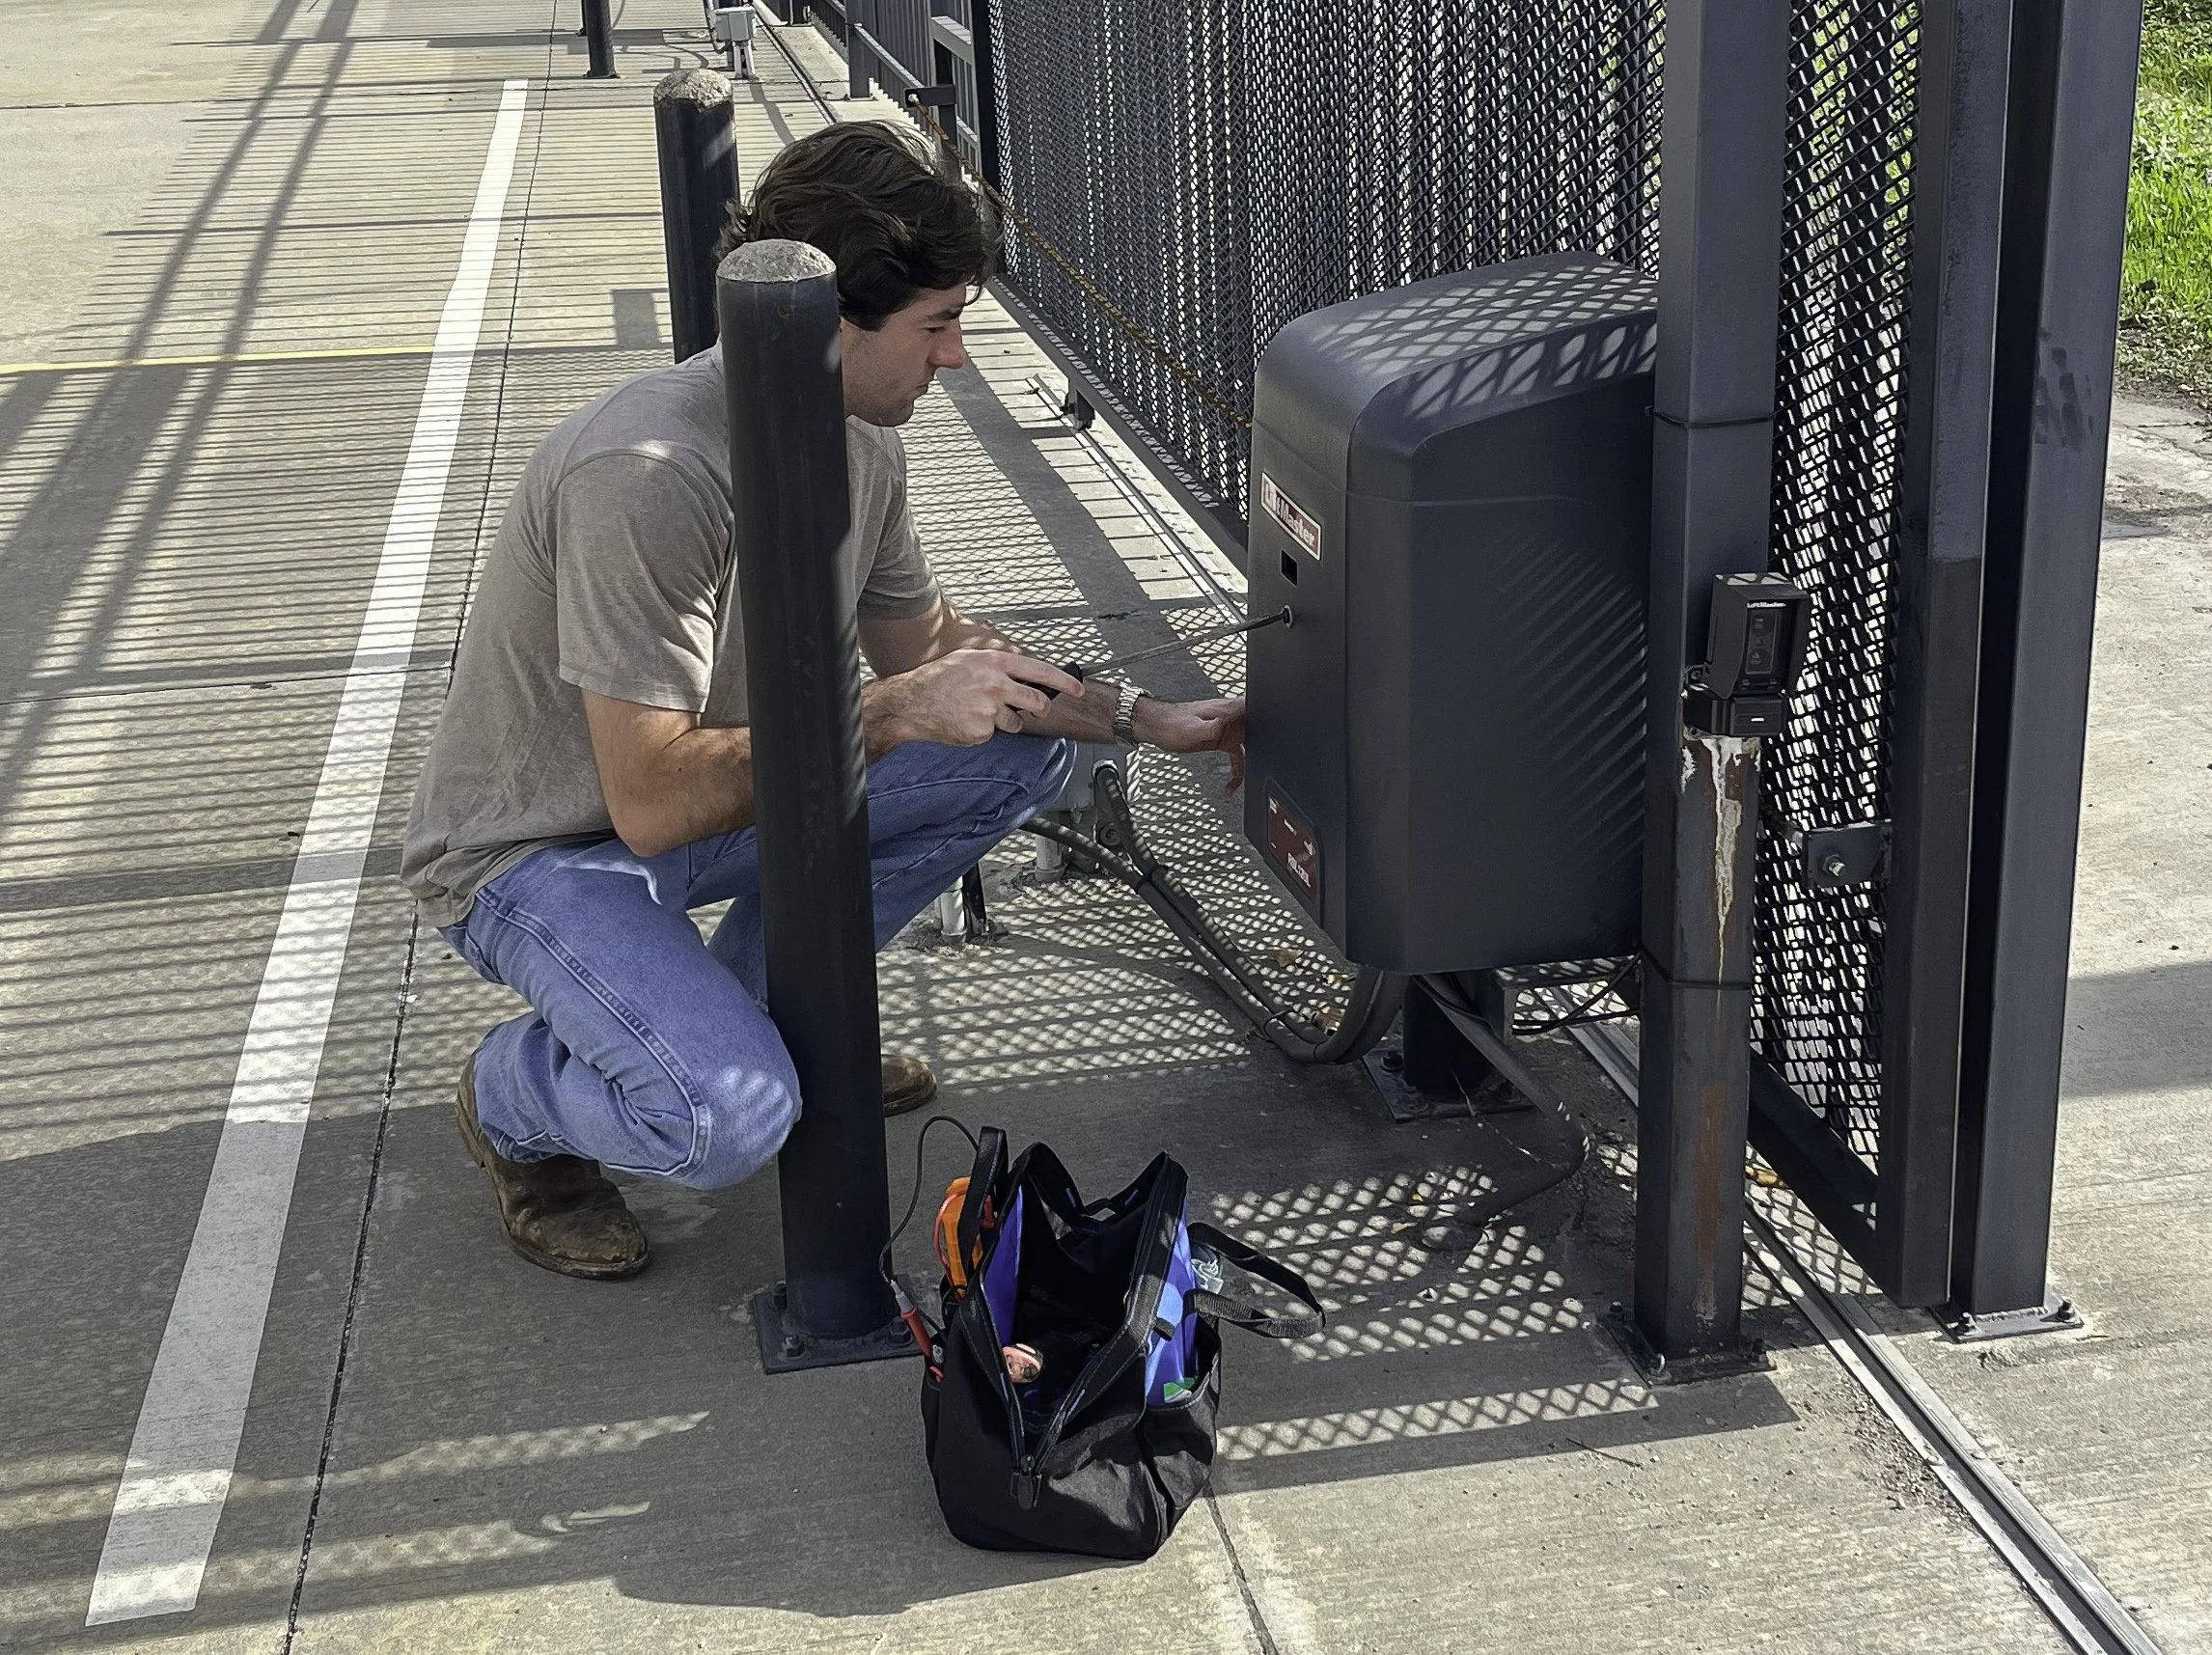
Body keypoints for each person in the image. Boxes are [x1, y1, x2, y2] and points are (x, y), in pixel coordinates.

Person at [400, 120, 1246, 1281]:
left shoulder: (858, 439)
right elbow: (645, 801)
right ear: (830, 322)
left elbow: (937, 644)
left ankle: (782, 1030)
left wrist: (1144, 718)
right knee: (720, 1122)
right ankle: (511, 1100)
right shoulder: (644, 475)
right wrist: (893, 712)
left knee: (1022, 751)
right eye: (937, 326)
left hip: (725, 798)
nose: (955, 358)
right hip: (544, 851)